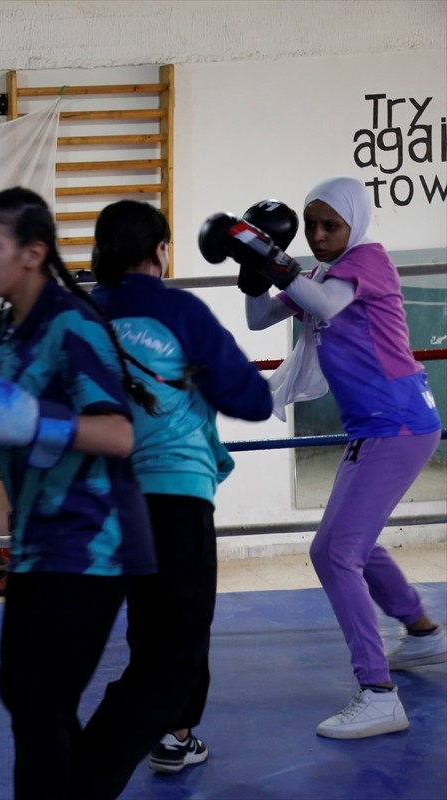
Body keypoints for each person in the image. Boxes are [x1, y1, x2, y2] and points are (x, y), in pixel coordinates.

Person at [0, 186, 157, 798]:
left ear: (33, 252)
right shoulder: (3, 327)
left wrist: (36, 421)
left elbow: (121, 432)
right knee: (22, 692)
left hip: (94, 538)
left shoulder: (71, 325)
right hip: (39, 536)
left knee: (40, 699)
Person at [226, 176, 444, 739]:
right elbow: (258, 320)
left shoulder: (366, 261)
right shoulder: (319, 271)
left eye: (331, 226)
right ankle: (423, 634)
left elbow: (322, 303)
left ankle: (378, 693)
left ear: (355, 224)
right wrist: (252, 271)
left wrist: (272, 259)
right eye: (312, 225)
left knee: (332, 551)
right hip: (378, 425)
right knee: (356, 542)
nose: (319, 237)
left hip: (397, 422)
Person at [68, 199, 273, 797]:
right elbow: (254, 402)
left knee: (154, 641)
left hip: (94, 507)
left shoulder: (78, 314)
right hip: (171, 498)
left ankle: (171, 737)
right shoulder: (180, 310)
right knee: (168, 665)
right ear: (161, 252)